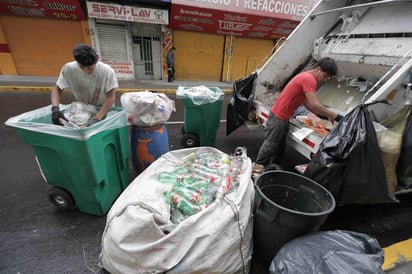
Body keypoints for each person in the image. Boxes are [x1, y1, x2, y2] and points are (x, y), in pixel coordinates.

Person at [254, 57, 341, 172]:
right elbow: (313, 104)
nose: (325, 79)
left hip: (282, 117)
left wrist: (324, 115)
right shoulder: (309, 79)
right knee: (270, 145)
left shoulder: (306, 76)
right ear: (318, 69)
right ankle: (257, 168)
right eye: (325, 76)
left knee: (279, 147)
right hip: (279, 117)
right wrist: (335, 115)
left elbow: (307, 104)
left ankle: (273, 169)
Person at [50, 43, 118, 126]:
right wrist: (55, 109)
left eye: (90, 68)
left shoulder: (107, 71)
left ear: (97, 58)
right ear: (78, 63)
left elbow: (110, 98)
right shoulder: (69, 69)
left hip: (104, 110)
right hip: (82, 111)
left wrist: (97, 118)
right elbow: (58, 89)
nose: (87, 71)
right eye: (82, 68)